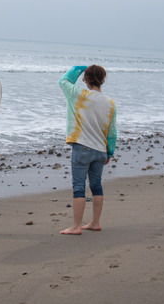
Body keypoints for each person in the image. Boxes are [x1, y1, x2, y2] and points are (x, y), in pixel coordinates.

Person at [58, 65, 117, 235]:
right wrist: (109, 151)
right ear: (103, 80)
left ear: (86, 79)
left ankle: (76, 226)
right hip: (100, 150)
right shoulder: (110, 103)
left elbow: (63, 80)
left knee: (78, 186)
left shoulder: (80, 95)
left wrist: (78, 68)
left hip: (82, 146)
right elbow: (112, 131)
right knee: (96, 185)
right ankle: (95, 222)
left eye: (84, 77)